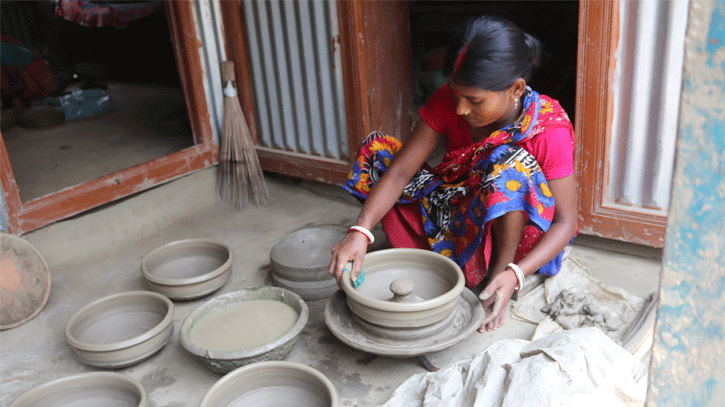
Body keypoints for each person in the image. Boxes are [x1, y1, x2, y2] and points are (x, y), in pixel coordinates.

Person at [327, 15, 578, 332]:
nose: (460, 109)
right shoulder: (451, 98)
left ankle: (492, 283)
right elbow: (400, 171)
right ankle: (448, 257)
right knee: (378, 155)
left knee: (510, 167)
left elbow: (566, 222)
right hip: (460, 207)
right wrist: (360, 231)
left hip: (511, 234)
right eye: (457, 95)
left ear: (515, 89)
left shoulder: (548, 130)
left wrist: (516, 273)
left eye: (474, 100)